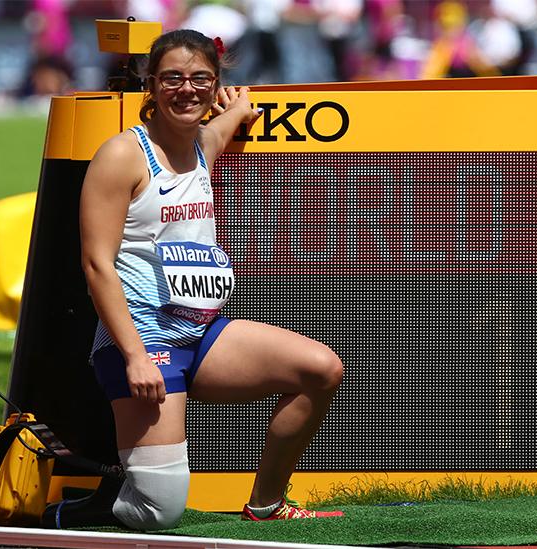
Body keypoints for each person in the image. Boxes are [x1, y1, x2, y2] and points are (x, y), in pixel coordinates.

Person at [65, 29, 345, 530]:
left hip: (202, 333)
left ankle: (266, 504)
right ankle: (77, 510)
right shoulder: (123, 155)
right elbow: (96, 266)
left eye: (200, 79)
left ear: (214, 85)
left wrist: (238, 107)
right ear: (150, 84)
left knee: (320, 369)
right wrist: (135, 357)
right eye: (172, 78)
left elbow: (225, 123)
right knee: (159, 511)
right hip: (144, 340)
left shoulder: (200, 145)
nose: (186, 89)